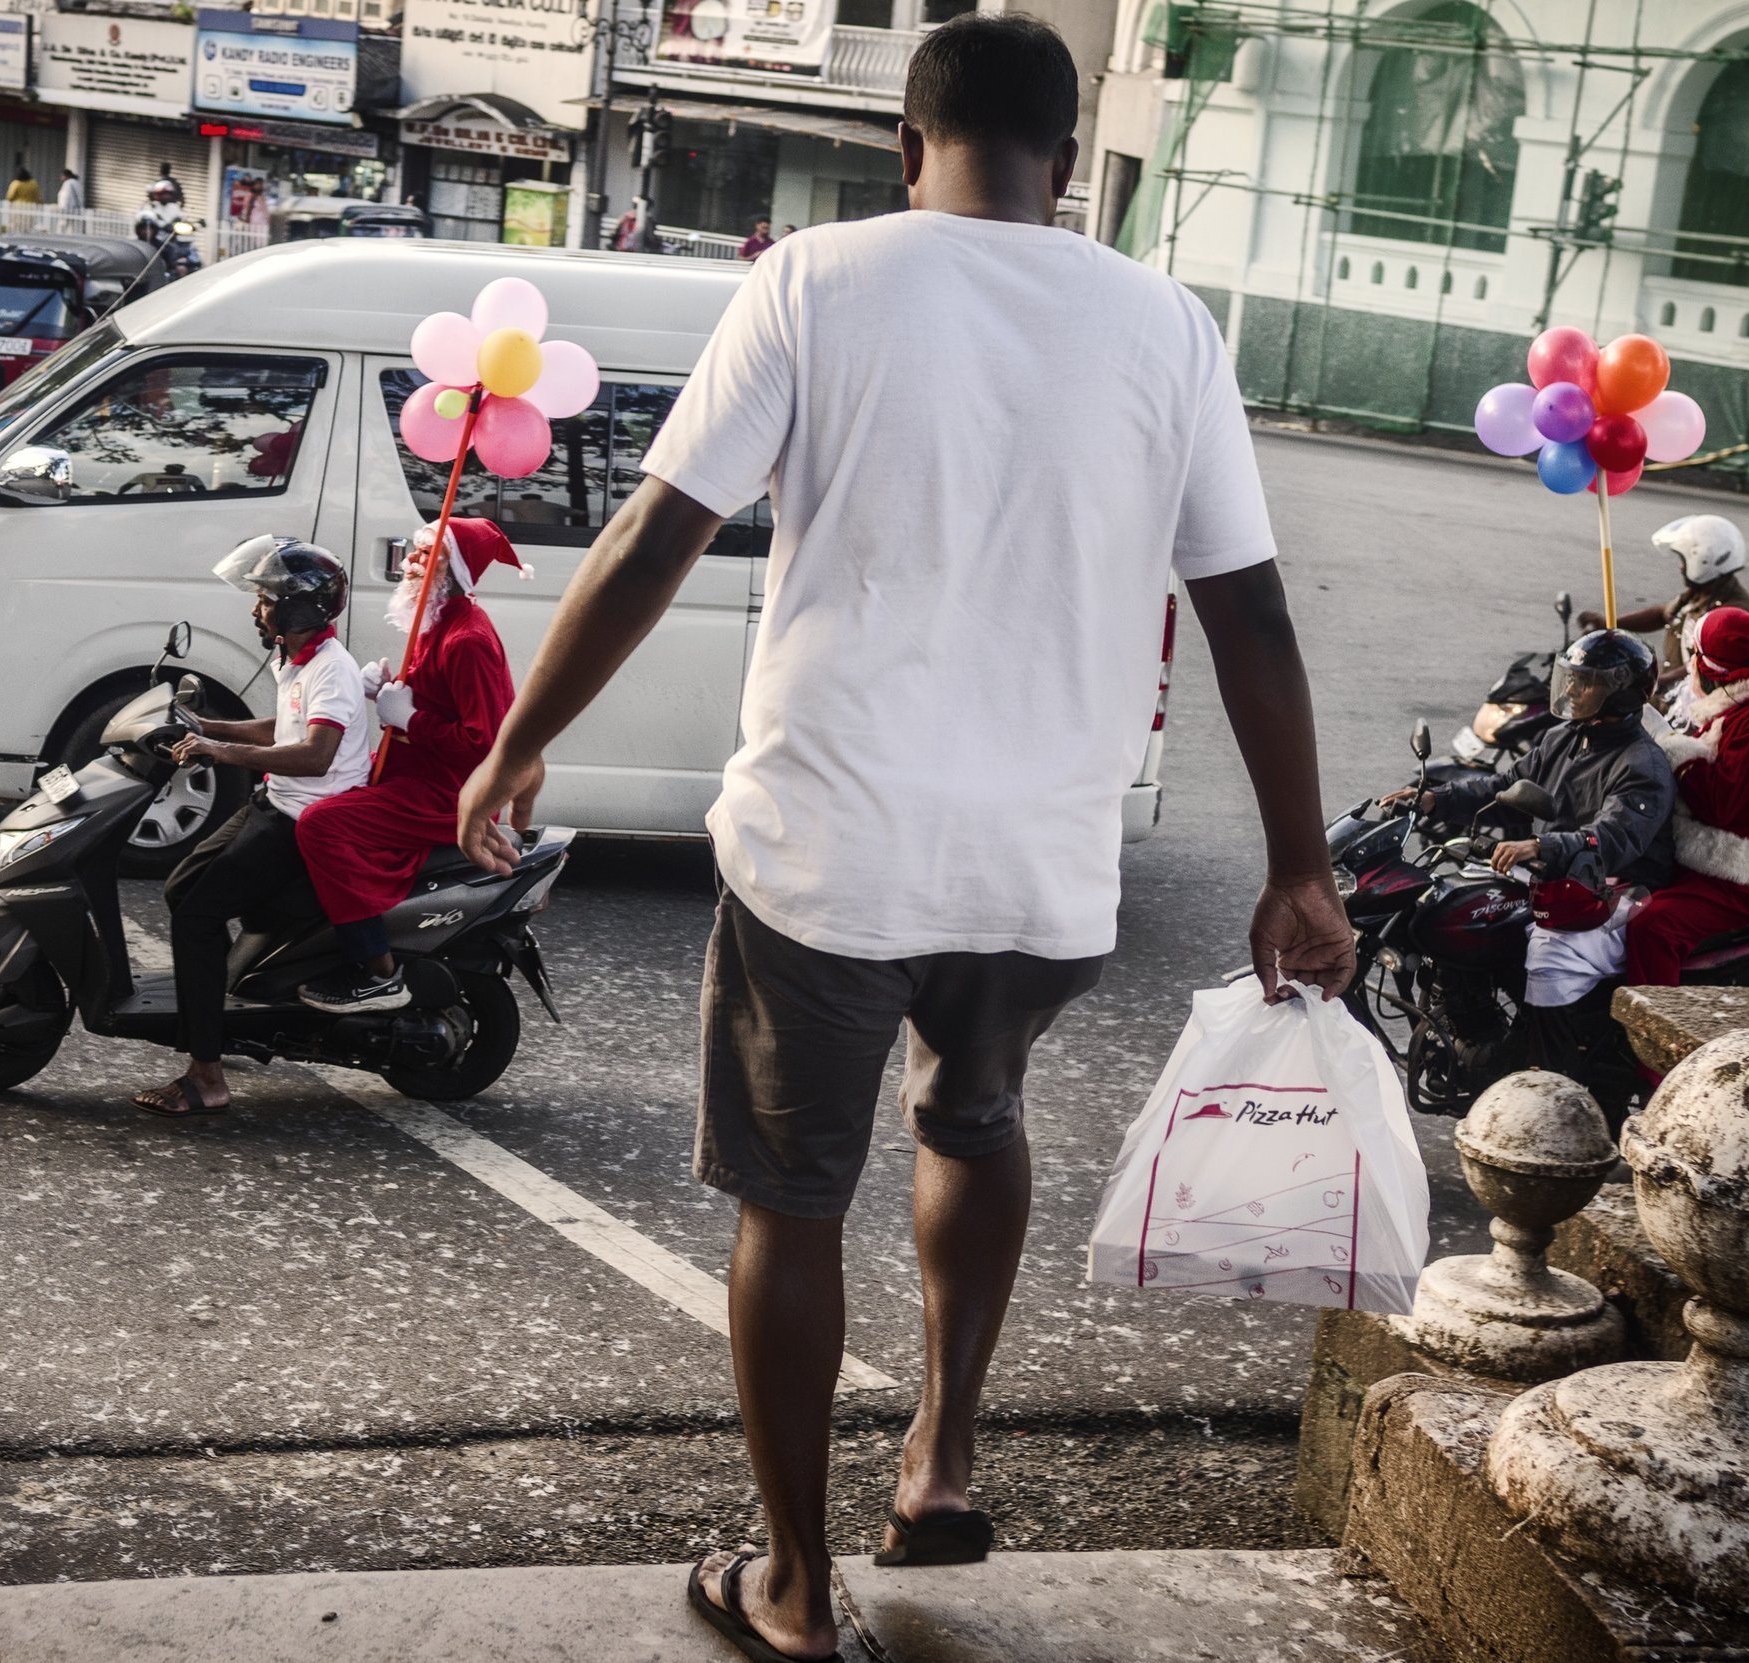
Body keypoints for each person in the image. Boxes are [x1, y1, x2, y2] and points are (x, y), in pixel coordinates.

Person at [450, 18, 1348, 1658]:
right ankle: (939, 1454)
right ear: (1068, 168)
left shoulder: (818, 277)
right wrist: (1301, 864)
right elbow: (1252, 614)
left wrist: (522, 739)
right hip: (1041, 872)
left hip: (831, 853)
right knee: (977, 1105)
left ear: (901, 146)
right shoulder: (1166, 323)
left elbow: (662, 528)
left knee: (791, 1202)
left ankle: (795, 1587)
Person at [133, 538, 369, 1117]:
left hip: (302, 817)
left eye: (266, 600)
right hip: (277, 803)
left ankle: (206, 1075)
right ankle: (219, 1013)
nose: (256, 610)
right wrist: (211, 726)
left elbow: (314, 754)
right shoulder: (303, 660)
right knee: (181, 889)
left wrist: (221, 751)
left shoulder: (332, 671)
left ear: (298, 608)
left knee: (197, 913)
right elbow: (284, 729)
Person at [1392, 630, 1674, 1107]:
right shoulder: (1565, 736)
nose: (1569, 691)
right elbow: (1503, 787)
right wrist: (1435, 799)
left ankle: (1551, 1089)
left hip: (1609, 891)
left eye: (1584, 683)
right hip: (1554, 876)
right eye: (1572, 679)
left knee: (1550, 960)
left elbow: (1612, 839)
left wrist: (1540, 844)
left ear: (1619, 692)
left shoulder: (1642, 764)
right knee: (1461, 914)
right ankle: (1474, 1033)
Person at [294, 519, 524, 1015]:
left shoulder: (467, 639)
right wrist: (389, 685)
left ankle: (378, 971)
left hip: (446, 794)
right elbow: (437, 696)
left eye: (427, 554)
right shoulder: (434, 620)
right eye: (414, 551)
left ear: (454, 569)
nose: (411, 562)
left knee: (320, 826)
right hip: (408, 774)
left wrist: (411, 718)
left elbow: (484, 743)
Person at [1629, 608, 1749, 985]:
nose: (1690, 664)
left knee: (1652, 925)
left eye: (1696, 656)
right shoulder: (1734, 706)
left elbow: (1717, 803)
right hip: (1699, 856)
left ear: (1718, 669)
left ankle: (1651, 1032)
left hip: (1742, 876)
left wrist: (1671, 746)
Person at [1578, 514, 1749, 695]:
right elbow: (1662, 614)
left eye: (1683, 559)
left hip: (1693, 710)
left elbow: (1708, 662)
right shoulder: (1701, 593)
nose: (1680, 566)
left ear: (1704, 560)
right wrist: (1609, 624)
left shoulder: (1734, 614)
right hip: (1669, 702)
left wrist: (1659, 682)